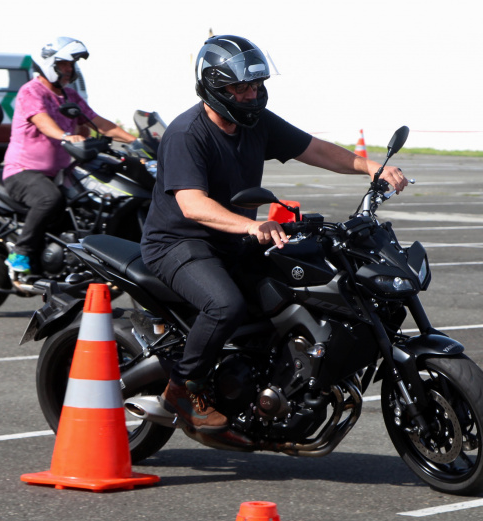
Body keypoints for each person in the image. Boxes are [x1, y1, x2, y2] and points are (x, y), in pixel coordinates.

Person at [140, 35, 409, 432]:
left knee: (294, 287)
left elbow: (313, 148)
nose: (251, 95)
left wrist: (369, 166)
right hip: (179, 244)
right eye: (241, 87)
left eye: (256, 86)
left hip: (235, 240)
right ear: (214, 86)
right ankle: (182, 387)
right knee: (225, 305)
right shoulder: (187, 134)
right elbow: (192, 204)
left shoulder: (256, 124)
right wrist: (252, 224)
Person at [2, 37, 136, 274]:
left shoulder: (70, 96)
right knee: (48, 199)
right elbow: (42, 121)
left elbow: (98, 122)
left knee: (94, 200)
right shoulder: (31, 91)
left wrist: (136, 141)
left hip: (61, 172)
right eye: (64, 64)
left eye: (71, 65)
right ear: (48, 63)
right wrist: (66, 136)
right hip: (23, 172)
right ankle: (19, 253)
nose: (69, 69)